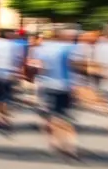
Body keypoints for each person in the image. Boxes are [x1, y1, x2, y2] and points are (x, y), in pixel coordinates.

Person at [30, 30, 81, 159]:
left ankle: (54, 141)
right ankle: (71, 145)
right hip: (66, 85)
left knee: (50, 115)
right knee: (65, 115)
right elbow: (75, 65)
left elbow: (38, 67)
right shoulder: (70, 48)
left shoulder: (42, 49)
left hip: (47, 85)